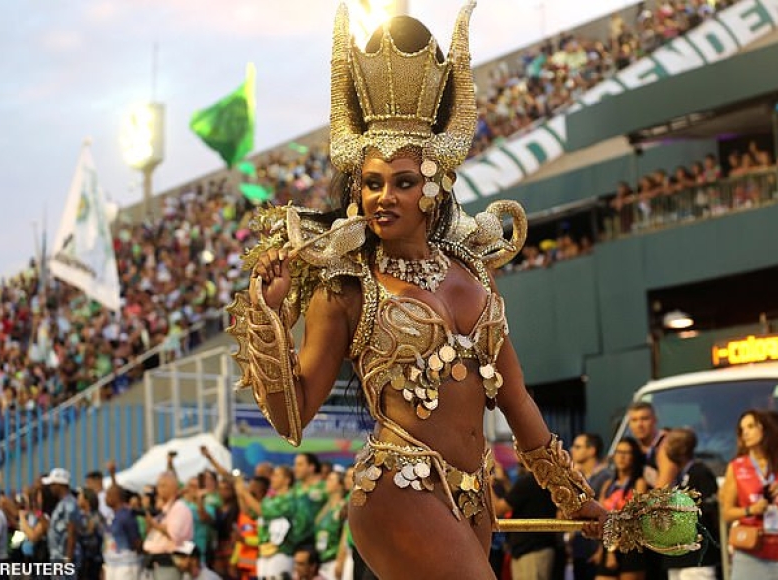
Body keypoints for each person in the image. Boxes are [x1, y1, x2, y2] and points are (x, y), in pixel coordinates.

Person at [226, 4, 605, 578]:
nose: (384, 198)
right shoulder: (347, 288)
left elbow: (517, 398)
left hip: (473, 498)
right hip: (397, 490)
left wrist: (574, 496)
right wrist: (267, 317)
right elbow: (293, 414)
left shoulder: (475, 273)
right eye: (373, 183)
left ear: (435, 188)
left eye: (403, 183)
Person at [721, 409, 778, 580]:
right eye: (742, 430)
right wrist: (751, 510)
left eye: (751, 426)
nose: (746, 433)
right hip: (751, 553)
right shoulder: (736, 466)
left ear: (765, 429)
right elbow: (727, 513)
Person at [660, 428, 719, 580]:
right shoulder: (675, 477)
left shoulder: (700, 472)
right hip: (676, 556)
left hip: (697, 558)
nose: (666, 449)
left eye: (671, 443)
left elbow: (709, 510)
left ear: (685, 447)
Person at [594, 438, 647, 580]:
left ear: (634, 456)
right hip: (609, 543)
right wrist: (602, 548)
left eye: (627, 453)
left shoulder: (639, 483)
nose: (622, 457)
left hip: (630, 545)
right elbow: (601, 518)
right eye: (619, 452)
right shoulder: (607, 484)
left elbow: (635, 517)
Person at [495, 469, 560, 580]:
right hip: (533, 549)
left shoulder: (529, 480)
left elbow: (498, 509)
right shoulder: (543, 477)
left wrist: (483, 481)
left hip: (531, 551)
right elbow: (515, 499)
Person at [570, 433, 613, 580]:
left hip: (596, 541)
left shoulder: (606, 476)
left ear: (591, 450)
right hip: (580, 542)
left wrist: (602, 547)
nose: (572, 450)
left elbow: (607, 511)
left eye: (578, 447)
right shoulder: (580, 476)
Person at [143, 471, 194, 580]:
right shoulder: (164, 510)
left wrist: (153, 524)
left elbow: (174, 535)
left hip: (169, 563)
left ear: (173, 488)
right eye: (158, 485)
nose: (159, 489)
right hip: (154, 563)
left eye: (163, 486)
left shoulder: (179, 508)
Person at [43, 468, 80, 577]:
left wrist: (67, 560)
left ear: (59, 485)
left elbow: (72, 532)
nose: (51, 488)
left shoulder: (69, 504)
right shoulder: (62, 503)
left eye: (52, 484)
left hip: (63, 560)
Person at [102, 484, 143, 580]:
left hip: (125, 566)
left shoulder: (126, 516)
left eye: (108, 495)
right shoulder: (111, 515)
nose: (105, 498)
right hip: (111, 564)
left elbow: (136, 540)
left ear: (116, 497)